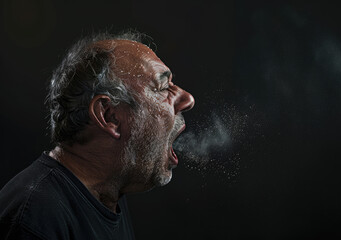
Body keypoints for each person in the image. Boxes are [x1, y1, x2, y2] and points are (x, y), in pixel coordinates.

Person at [0, 32, 195, 239]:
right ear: (108, 115)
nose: (188, 99)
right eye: (163, 87)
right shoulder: (36, 219)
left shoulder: (109, 192)